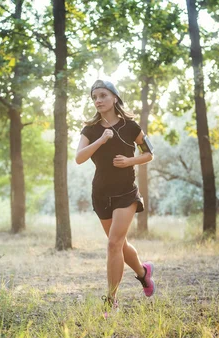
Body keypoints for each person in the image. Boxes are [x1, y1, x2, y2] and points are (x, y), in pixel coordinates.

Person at [75, 79, 156, 317]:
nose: (98, 100)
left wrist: (130, 161)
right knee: (119, 244)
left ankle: (111, 300)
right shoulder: (90, 129)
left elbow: (150, 153)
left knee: (112, 244)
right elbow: (79, 158)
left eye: (102, 95)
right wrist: (101, 140)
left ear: (115, 98)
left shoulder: (131, 126)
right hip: (101, 193)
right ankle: (143, 273)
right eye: (94, 97)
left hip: (126, 192)